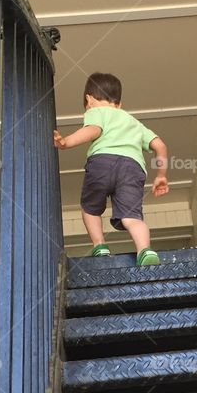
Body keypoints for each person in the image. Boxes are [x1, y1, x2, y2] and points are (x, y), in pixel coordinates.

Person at [53, 72, 169, 265]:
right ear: (119, 104)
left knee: (90, 208)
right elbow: (160, 146)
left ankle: (100, 246)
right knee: (131, 216)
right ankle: (145, 250)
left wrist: (66, 142)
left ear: (88, 99)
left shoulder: (96, 111)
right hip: (132, 168)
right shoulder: (134, 122)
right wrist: (161, 175)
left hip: (102, 163)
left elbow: (93, 130)